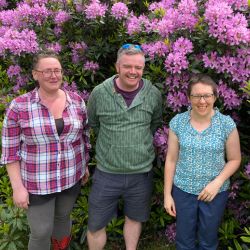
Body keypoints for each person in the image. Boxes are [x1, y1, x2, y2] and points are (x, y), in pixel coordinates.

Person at [1, 50, 90, 250]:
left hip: (70, 176)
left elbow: (84, 137)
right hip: (37, 182)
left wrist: (84, 165)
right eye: (47, 71)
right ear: (35, 74)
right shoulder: (19, 107)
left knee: (62, 219)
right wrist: (17, 188)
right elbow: (10, 152)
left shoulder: (76, 101)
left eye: (57, 70)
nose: (53, 75)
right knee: (41, 231)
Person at [87, 44, 162, 250]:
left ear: (143, 69)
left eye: (138, 67)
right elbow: (93, 123)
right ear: (117, 67)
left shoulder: (153, 93)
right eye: (127, 66)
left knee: (134, 218)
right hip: (106, 173)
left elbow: (155, 123)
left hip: (141, 173)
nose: (133, 72)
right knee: (95, 224)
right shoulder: (99, 93)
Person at [164, 74, 241, 250]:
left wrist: (218, 182)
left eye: (207, 95)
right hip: (183, 190)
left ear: (215, 97)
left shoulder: (226, 124)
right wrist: (167, 194)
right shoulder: (178, 123)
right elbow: (171, 159)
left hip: (214, 193)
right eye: (196, 96)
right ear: (189, 97)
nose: (202, 101)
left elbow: (235, 159)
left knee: (208, 240)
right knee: (184, 240)